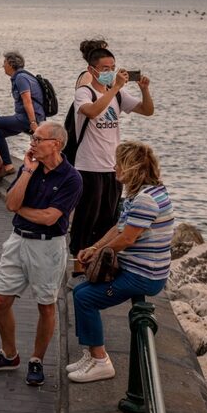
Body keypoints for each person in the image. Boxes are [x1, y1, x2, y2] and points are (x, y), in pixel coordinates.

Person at [0, 121, 83, 387]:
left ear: (55, 144)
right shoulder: (29, 167)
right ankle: (9, 354)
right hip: (18, 241)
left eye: (37, 139)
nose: (32, 143)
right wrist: (27, 172)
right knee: (0, 300)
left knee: (46, 305)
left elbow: (49, 218)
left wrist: (21, 210)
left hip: (47, 247)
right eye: (33, 138)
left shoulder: (72, 178)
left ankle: (37, 359)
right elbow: (11, 202)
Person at [69, 141, 173, 382]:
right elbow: (118, 227)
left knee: (85, 298)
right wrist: (95, 247)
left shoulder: (144, 200)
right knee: (80, 289)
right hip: (140, 269)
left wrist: (96, 253)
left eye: (119, 163)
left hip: (144, 276)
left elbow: (127, 238)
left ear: (131, 168)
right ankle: (91, 352)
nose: (114, 166)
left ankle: (100, 361)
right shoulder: (146, 193)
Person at [68, 48, 154, 271]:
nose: (110, 72)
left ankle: (97, 262)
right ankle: (78, 266)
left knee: (108, 219)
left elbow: (147, 110)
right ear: (92, 70)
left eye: (112, 68)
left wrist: (144, 90)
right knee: (85, 218)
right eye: (105, 69)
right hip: (88, 165)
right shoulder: (84, 93)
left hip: (113, 167)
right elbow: (93, 111)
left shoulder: (117, 95)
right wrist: (115, 85)